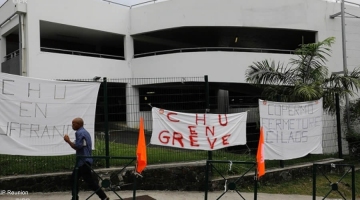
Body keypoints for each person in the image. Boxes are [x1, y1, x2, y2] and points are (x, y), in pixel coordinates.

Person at [64, 117, 109, 200]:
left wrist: (68, 141)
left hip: (83, 161)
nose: (72, 126)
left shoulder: (79, 133)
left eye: (73, 124)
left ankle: (103, 197)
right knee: (74, 179)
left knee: (89, 181)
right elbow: (82, 145)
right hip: (84, 161)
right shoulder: (85, 132)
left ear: (78, 124)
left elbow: (77, 146)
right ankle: (75, 197)